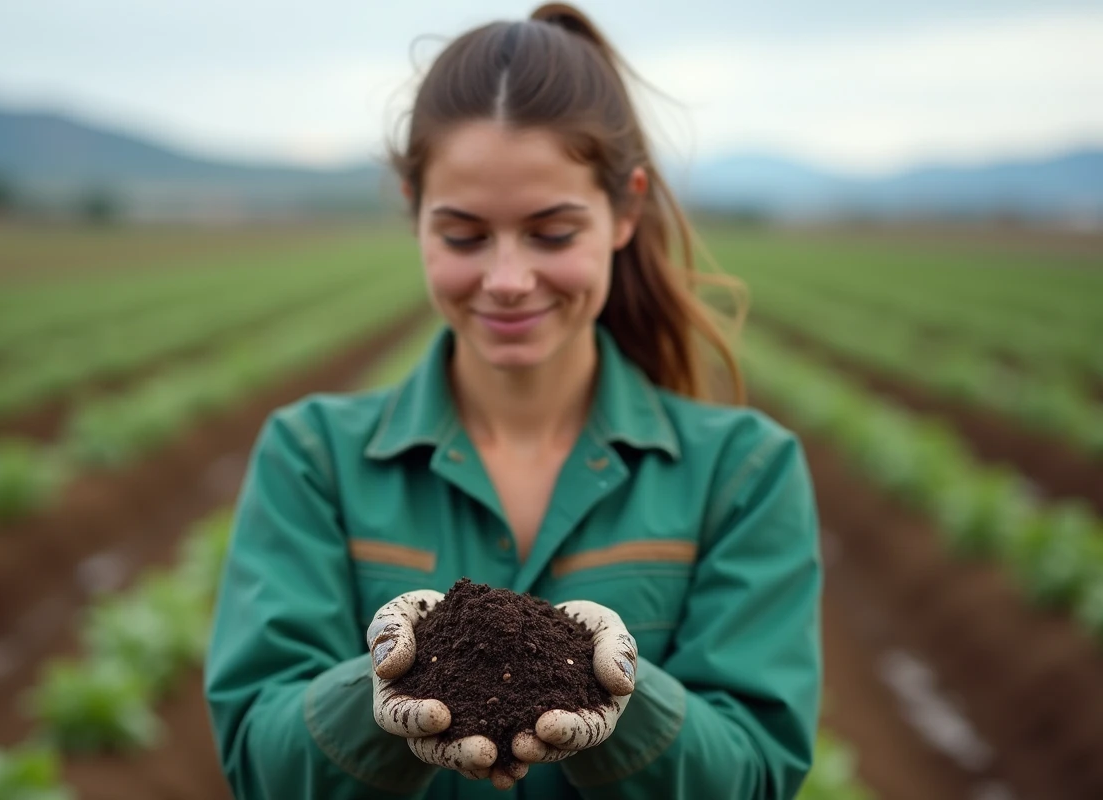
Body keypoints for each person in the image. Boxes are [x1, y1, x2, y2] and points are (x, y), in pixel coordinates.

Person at [203, 3, 822, 799]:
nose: (505, 279)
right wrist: (384, 686)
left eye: (552, 233)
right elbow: (260, 763)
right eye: (463, 236)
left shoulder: (745, 473)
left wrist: (619, 695)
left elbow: (757, 776)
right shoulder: (312, 456)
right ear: (412, 208)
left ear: (625, 211)